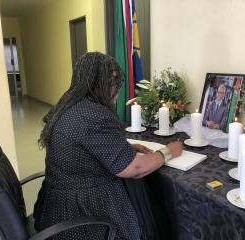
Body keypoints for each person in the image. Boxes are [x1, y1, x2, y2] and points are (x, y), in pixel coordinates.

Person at [33, 52, 183, 240]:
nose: (116, 92)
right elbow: (136, 169)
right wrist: (169, 151)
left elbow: (84, 145)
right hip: (83, 215)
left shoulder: (69, 106)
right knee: (158, 212)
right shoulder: (94, 115)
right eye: (113, 83)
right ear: (103, 84)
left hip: (55, 207)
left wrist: (124, 147)